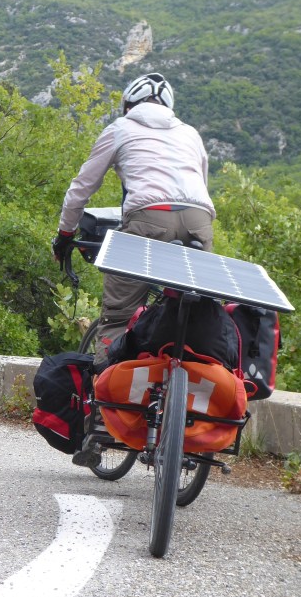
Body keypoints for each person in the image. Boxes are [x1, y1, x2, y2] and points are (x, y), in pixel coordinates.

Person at [53, 72, 216, 466]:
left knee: (119, 316)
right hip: (199, 223)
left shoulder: (121, 127)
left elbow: (82, 186)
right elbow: (201, 186)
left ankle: (101, 425)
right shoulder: (190, 133)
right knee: (191, 315)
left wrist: (65, 233)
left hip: (146, 220)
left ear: (129, 104)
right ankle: (189, 422)